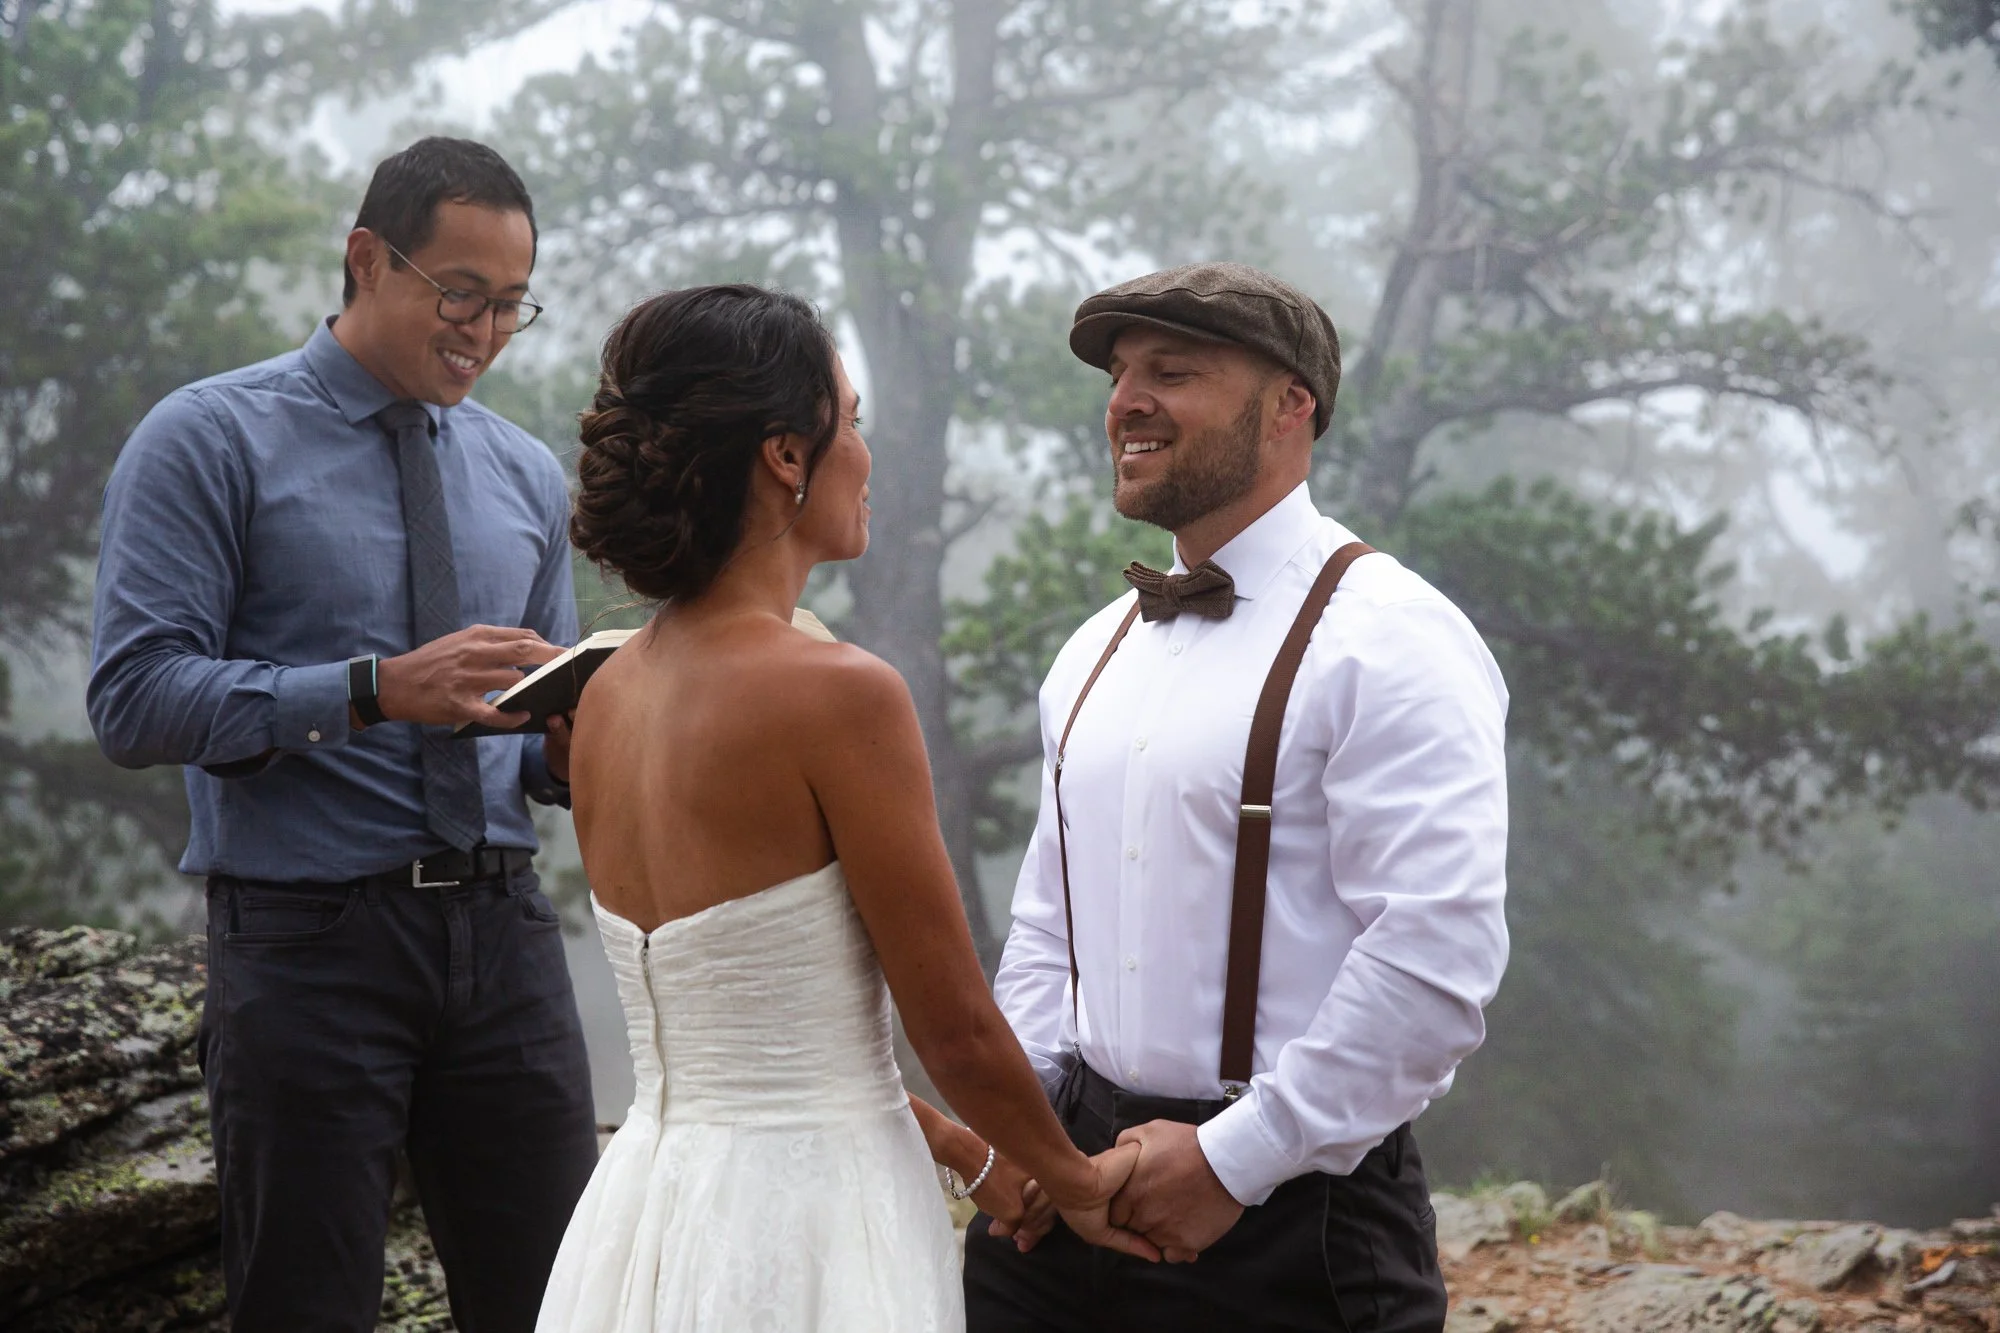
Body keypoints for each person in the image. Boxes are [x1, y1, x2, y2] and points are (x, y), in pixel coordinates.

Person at [537, 283, 1156, 1332]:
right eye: (852, 422)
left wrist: (973, 1153)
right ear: (786, 454)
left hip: (642, 1215)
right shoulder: (836, 693)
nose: (866, 454)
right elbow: (951, 1025)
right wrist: (1081, 1182)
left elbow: (755, 1036)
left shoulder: (604, 696)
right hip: (809, 1230)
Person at [87, 137, 599, 1332]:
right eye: (460, 293)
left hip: (505, 942)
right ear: (367, 258)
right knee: (306, 1307)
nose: (482, 330)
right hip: (306, 945)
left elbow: (517, 737)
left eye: (512, 306)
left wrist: (571, 749)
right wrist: (369, 688)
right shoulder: (208, 438)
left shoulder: (523, 476)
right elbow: (136, 698)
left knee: (562, 1304)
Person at [961, 261, 1511, 1333]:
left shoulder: (1390, 637)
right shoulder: (1091, 652)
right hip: (1061, 1213)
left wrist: (1231, 1158)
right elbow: (1044, 925)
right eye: (1119, 374)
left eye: (1174, 371)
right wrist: (1030, 1132)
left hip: (1289, 1223)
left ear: (1289, 407)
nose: (1126, 400)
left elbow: (1435, 957)